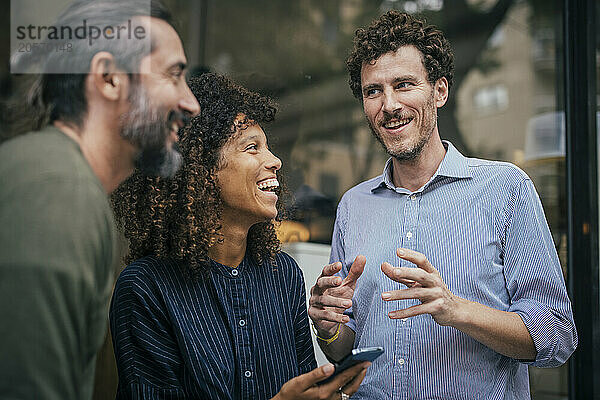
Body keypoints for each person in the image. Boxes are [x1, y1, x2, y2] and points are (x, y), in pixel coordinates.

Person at [308, 11, 577, 399]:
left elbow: (557, 337)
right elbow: (345, 348)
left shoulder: (506, 189)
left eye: (404, 85)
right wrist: (329, 326)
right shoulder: (353, 205)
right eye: (373, 91)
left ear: (439, 91)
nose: (389, 105)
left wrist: (455, 309)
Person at [110, 72, 369, 400]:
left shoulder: (284, 277)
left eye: (268, 148)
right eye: (252, 148)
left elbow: (306, 386)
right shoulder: (146, 288)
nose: (274, 161)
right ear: (202, 171)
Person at [0, 1, 200, 399]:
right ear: (109, 78)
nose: (190, 103)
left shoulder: (62, 182)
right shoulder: (59, 192)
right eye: (174, 75)